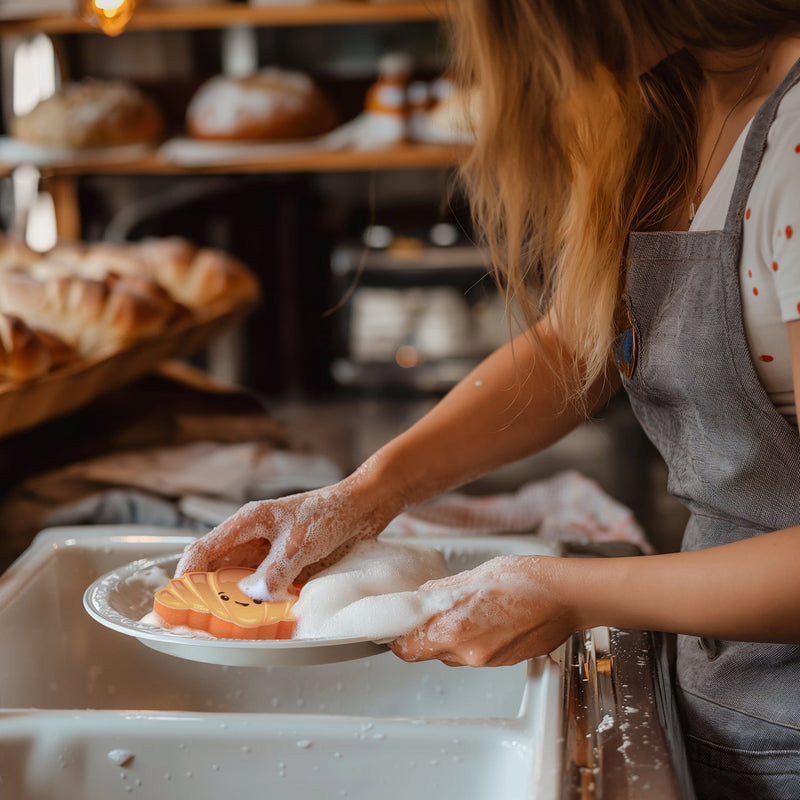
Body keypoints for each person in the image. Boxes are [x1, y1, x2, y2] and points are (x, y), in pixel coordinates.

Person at [176, 3, 800, 797]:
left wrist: (568, 593)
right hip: (721, 687)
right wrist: (368, 493)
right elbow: (578, 344)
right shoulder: (664, 102)